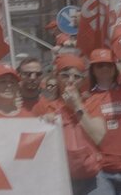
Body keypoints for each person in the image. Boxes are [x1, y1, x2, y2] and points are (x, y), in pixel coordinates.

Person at [46, 54, 107, 195]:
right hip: (62, 178)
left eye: (76, 76)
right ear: (57, 77)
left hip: (92, 177)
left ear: (83, 80)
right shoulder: (47, 106)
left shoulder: (93, 103)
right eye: (65, 75)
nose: (70, 81)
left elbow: (99, 137)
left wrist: (77, 106)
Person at [85, 48, 121, 195]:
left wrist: (119, 64)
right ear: (92, 70)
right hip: (101, 173)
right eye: (99, 65)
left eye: (108, 64)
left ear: (115, 67)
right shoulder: (87, 99)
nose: (104, 68)